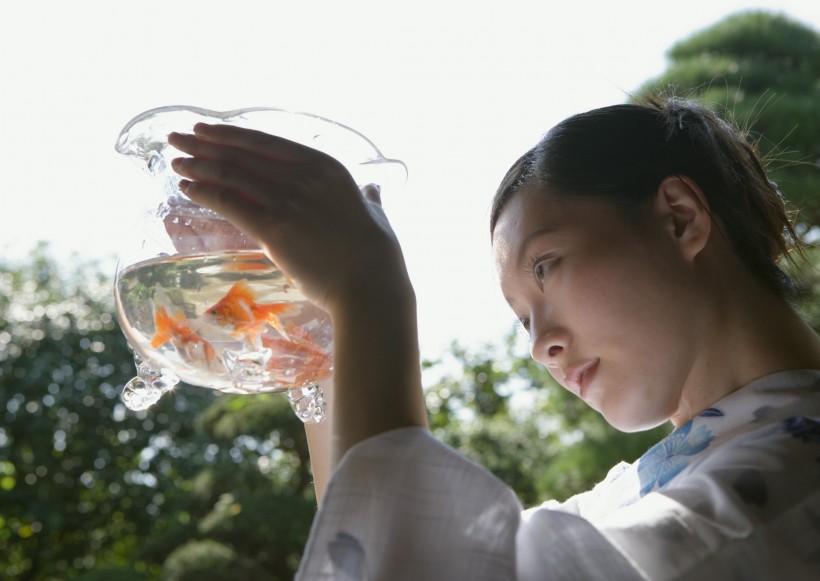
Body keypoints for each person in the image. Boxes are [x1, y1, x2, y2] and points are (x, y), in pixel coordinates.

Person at [165, 95, 820, 580]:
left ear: (680, 218)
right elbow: (378, 548)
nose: (540, 345)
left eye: (546, 266)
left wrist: (370, 290)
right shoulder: (686, 475)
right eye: (521, 318)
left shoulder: (785, 489)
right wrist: (331, 353)